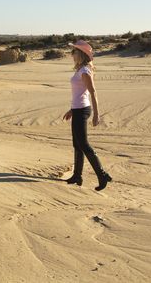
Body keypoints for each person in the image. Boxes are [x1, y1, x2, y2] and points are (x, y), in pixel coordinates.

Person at [62, 40, 112, 191]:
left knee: (84, 145)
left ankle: (102, 175)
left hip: (83, 110)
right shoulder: (80, 70)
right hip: (78, 109)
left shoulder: (84, 71)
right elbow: (79, 93)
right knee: (77, 145)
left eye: (74, 52)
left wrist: (97, 114)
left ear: (81, 54)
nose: (72, 55)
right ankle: (77, 175)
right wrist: (71, 110)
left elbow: (93, 92)